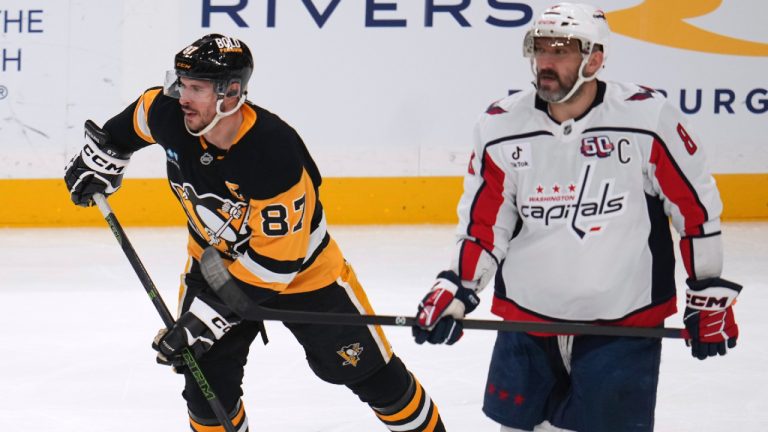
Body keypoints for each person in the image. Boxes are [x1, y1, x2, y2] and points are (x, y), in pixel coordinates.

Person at [65, 33, 446, 432]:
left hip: (304, 277)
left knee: (376, 378)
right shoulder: (170, 113)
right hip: (212, 264)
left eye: (196, 88)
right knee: (205, 393)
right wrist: (104, 156)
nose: (182, 96)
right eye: (181, 83)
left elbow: (277, 263)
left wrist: (200, 323)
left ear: (230, 94)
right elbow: (137, 118)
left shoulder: (271, 152)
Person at [412, 3, 742, 432]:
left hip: (622, 322)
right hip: (527, 321)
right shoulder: (500, 126)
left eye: (561, 50)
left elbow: (695, 209)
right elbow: (485, 226)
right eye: (539, 48)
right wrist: (457, 285)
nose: (546, 62)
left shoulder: (646, 119)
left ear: (596, 59)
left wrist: (707, 290)